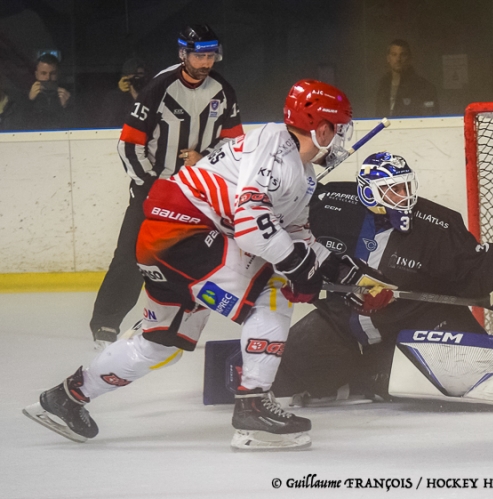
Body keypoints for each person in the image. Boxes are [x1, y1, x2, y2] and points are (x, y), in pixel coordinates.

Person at [23, 79, 395, 451]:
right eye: (340, 128)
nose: (342, 138)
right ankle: (252, 408)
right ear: (322, 127)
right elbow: (252, 231)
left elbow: (296, 235)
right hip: (185, 234)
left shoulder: (301, 173)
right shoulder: (273, 145)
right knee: (272, 293)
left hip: (166, 242)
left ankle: (66, 398)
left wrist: (349, 274)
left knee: (159, 344)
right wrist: (299, 270)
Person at [269, 152, 493, 405]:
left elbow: (479, 265)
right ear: (367, 193)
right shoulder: (327, 203)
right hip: (338, 326)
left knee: (474, 367)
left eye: (406, 187)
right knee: (279, 377)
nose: (404, 198)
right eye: (393, 191)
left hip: (415, 322)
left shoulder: (436, 225)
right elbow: (273, 225)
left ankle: (372, 377)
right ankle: (363, 377)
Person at [90, 25, 243, 347]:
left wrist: (205, 159)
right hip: (153, 193)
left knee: (191, 261)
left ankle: (171, 321)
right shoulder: (159, 87)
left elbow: (234, 145)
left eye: (210, 55)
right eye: (199, 55)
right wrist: (151, 188)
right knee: (131, 257)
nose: (205, 62)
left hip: (197, 197)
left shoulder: (223, 91)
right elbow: (130, 145)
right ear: (182, 54)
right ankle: (105, 323)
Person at [375, 39, 438, 117]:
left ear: (409, 58)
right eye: (394, 54)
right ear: (388, 58)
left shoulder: (423, 87)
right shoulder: (381, 85)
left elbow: (430, 119)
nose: (398, 59)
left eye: (403, 55)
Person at [24, 53, 73, 129]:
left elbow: (76, 127)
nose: (48, 78)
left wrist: (66, 107)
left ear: (59, 74)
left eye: (52, 73)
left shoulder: (69, 96)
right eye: (43, 73)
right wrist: (29, 101)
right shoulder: (24, 97)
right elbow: (20, 126)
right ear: (36, 75)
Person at [98, 58, 149, 128]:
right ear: (125, 77)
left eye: (140, 74)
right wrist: (119, 93)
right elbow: (107, 123)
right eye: (133, 74)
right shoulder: (114, 98)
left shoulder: (150, 96)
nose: (137, 78)